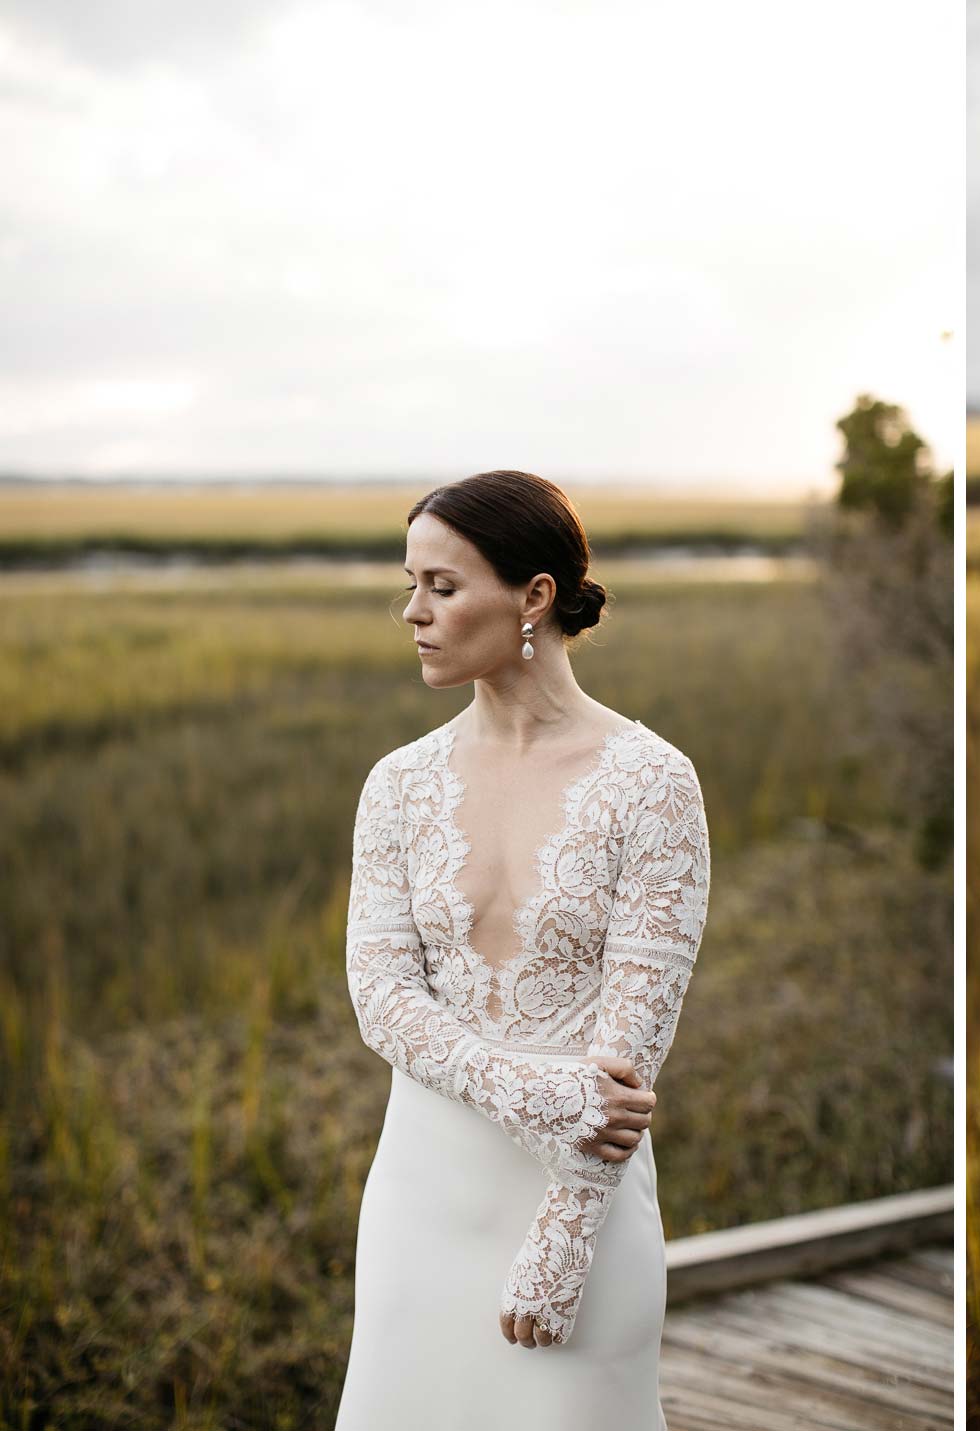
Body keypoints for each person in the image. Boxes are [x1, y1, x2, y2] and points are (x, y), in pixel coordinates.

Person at [334, 470, 710, 1428]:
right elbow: (380, 994)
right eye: (410, 584)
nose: (413, 612)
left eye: (443, 587)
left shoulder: (653, 782)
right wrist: (524, 1088)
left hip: (582, 1180)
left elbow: (634, 1040)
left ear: (534, 595)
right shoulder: (398, 784)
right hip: (422, 1186)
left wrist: (568, 1232)